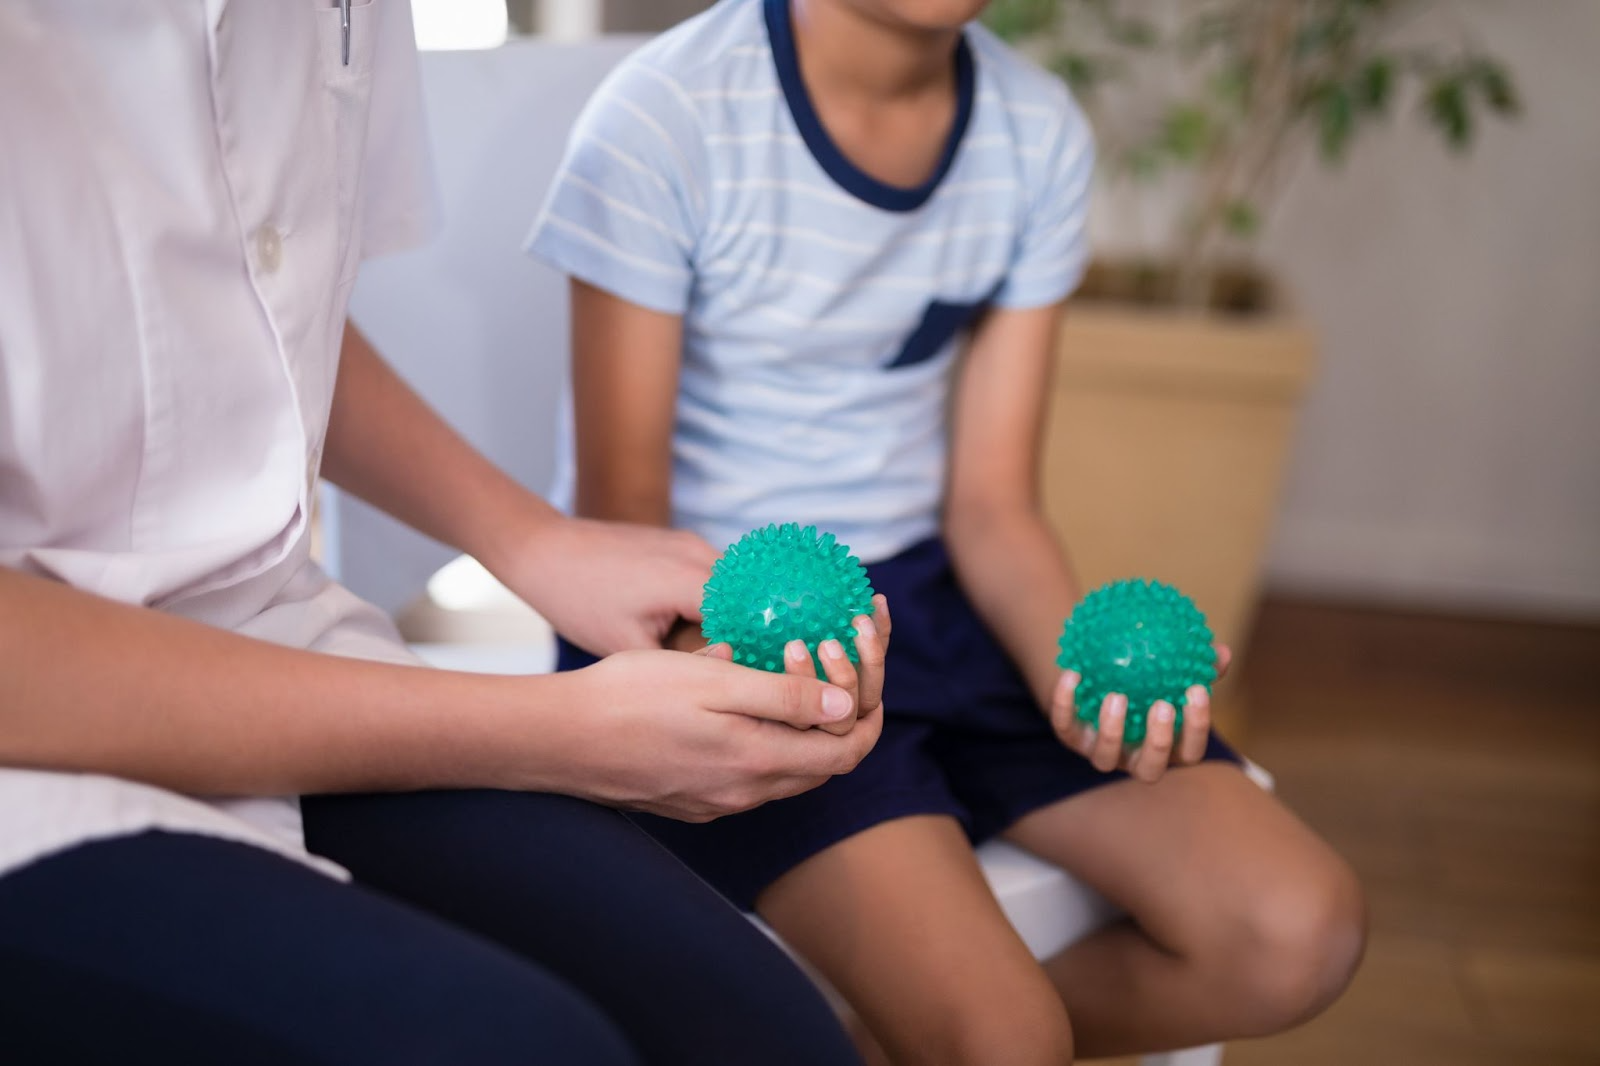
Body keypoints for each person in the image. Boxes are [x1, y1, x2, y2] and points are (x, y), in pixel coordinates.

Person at [0, 3, 888, 1064]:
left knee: (767, 1038)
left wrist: (536, 541)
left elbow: (252, 308)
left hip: (269, 641)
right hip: (32, 738)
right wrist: (556, 731)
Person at [528, 0, 1367, 1061]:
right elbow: (621, 524)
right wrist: (742, 685)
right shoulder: (664, 116)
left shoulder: (1035, 131)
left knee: (1300, 932)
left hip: (938, 606)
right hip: (713, 634)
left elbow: (993, 504)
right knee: (1004, 1037)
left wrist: (1080, 673)